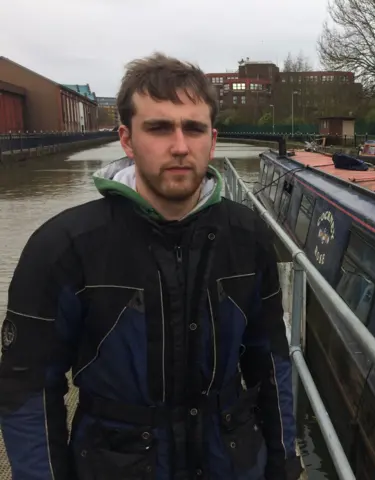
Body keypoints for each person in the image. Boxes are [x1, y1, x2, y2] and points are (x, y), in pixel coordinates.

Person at [0, 53, 302, 480]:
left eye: (193, 128)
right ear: (126, 139)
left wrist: (284, 463)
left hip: (231, 463)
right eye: (159, 127)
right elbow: (27, 388)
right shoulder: (63, 247)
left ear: (212, 141)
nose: (179, 145)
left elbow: (270, 362)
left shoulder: (248, 236)